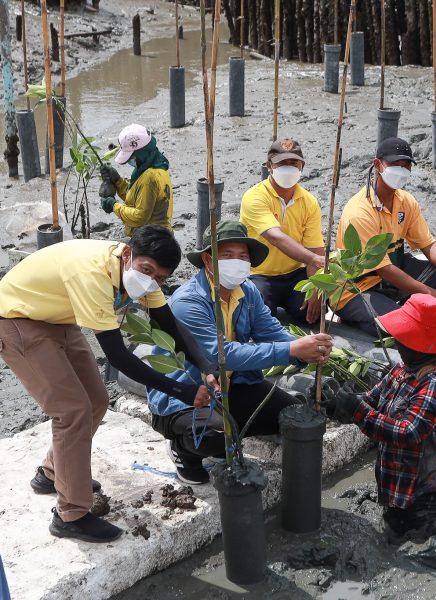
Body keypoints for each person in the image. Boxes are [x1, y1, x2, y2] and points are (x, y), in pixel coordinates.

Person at [0, 225, 215, 543]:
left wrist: (207, 368)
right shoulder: (93, 274)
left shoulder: (141, 273)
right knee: (72, 411)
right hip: (17, 319)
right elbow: (118, 357)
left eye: (160, 278)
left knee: (96, 400)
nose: (152, 281)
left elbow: (168, 323)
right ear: (128, 253)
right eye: (148, 271)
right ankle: (70, 515)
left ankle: (52, 472)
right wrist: (181, 390)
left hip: (58, 316)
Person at [147, 221, 334, 485]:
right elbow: (220, 356)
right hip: (188, 396)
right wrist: (291, 349)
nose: (237, 262)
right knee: (216, 435)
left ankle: (229, 433)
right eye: (227, 255)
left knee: (292, 415)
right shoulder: (187, 302)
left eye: (243, 257)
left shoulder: (247, 292)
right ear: (207, 260)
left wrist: (306, 349)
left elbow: (272, 332)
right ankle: (183, 450)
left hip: (234, 386)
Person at [324, 294, 436, 543]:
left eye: (403, 338)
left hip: (422, 491)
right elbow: (372, 398)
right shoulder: (401, 371)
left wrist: (359, 412)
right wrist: (338, 406)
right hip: (395, 483)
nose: (397, 342)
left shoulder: (435, 384)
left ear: (421, 344)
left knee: (412, 545)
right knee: (393, 533)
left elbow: (407, 432)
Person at [334, 138, 436, 336]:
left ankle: (400, 308)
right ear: (378, 165)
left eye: (406, 166)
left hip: (389, 278)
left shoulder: (406, 202)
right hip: (358, 287)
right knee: (404, 327)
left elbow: (428, 244)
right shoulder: (359, 212)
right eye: (395, 164)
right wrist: (431, 293)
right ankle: (358, 317)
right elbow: (384, 269)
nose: (401, 170)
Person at [240, 138, 325, 324]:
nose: (288, 168)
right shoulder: (254, 197)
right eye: (282, 163)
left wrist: (316, 287)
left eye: (293, 163)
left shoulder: (309, 202)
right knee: (260, 320)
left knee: (314, 314)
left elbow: (315, 248)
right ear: (269, 166)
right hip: (259, 274)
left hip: (294, 274)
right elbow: (275, 237)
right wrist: (313, 260)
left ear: (302, 166)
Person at [99, 123, 173, 237]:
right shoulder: (154, 165)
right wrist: (118, 181)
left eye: (132, 157)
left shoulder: (150, 177)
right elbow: (137, 198)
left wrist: (114, 206)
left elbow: (140, 217)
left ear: (141, 152)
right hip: (156, 234)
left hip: (152, 240)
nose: (131, 161)